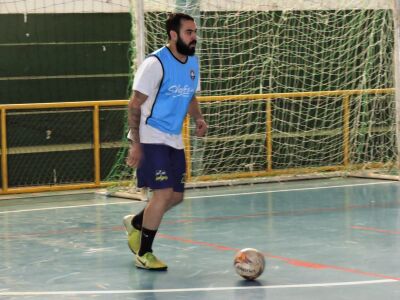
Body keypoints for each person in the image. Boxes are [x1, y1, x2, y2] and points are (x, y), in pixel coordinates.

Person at [123, 12, 207, 271]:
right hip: (150, 135)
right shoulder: (155, 63)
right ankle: (143, 253)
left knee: (177, 196)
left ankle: (137, 223)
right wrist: (136, 144)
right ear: (173, 35)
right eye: (189, 32)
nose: (194, 37)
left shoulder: (192, 63)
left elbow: (190, 96)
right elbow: (134, 104)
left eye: (194, 32)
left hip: (173, 137)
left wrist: (198, 119)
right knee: (162, 194)